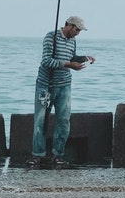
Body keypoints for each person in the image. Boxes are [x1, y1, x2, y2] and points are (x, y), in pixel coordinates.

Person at [29, 15, 95, 169]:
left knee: (64, 121)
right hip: (45, 85)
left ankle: (57, 155)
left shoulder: (73, 41)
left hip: (65, 86)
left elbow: (71, 57)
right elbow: (46, 60)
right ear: (69, 26)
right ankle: (37, 155)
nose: (78, 33)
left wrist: (84, 58)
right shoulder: (50, 37)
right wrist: (68, 65)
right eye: (77, 29)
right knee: (40, 121)